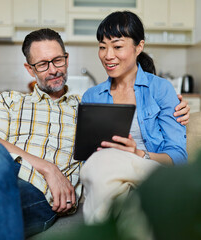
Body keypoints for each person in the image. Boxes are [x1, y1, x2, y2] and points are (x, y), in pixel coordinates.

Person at [0, 28, 190, 239]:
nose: (54, 69)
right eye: (42, 64)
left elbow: (135, 114)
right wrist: (48, 169)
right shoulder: (8, 100)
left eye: (58, 60)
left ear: (66, 58)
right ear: (29, 69)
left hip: (37, 197)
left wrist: (171, 105)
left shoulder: (88, 104)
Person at [80, 11, 188, 223]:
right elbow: (87, 156)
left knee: (105, 164)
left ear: (139, 47)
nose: (108, 55)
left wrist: (139, 154)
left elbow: (178, 157)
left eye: (117, 46)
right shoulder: (92, 96)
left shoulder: (160, 89)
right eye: (102, 47)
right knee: (103, 167)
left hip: (150, 171)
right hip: (107, 176)